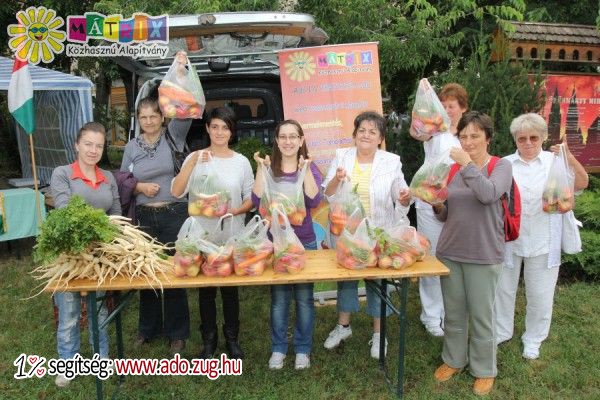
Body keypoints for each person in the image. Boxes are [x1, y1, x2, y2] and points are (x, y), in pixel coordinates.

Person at [430, 111, 512, 395]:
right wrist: (437, 204)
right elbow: (446, 214)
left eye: (475, 135)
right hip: (451, 250)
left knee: (481, 315)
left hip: (484, 253)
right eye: (463, 136)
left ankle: (484, 368)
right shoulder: (452, 170)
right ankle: (453, 360)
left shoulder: (501, 166)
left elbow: (488, 194)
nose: (468, 141)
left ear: (488, 138)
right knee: (453, 312)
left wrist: (466, 165)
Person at [495, 113, 588, 360]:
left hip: (544, 237)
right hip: (510, 238)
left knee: (540, 293)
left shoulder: (554, 161)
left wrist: (569, 157)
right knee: (503, 290)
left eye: (533, 137)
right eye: (522, 138)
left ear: (543, 138)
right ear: (515, 139)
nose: (528, 142)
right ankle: (502, 331)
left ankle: (533, 338)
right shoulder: (505, 164)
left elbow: (581, 183)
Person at [120, 52, 193, 356]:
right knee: (146, 273)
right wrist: (137, 185)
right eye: (143, 117)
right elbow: (123, 180)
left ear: (162, 117)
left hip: (175, 213)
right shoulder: (131, 147)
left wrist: (181, 69)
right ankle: (147, 329)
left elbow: (186, 106)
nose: (149, 121)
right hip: (144, 218)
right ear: (138, 120)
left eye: (153, 116)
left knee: (175, 272)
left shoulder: (174, 137)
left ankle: (177, 333)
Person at [322, 111, 411, 359]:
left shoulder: (391, 161)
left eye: (373, 131)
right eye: (362, 130)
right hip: (346, 232)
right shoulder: (342, 156)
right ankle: (343, 326)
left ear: (380, 138)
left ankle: (379, 333)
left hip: (378, 231)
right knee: (346, 279)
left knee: (378, 282)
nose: (366, 135)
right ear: (354, 134)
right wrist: (336, 181)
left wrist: (404, 197)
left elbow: (400, 193)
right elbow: (327, 193)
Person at [172, 107, 254, 359]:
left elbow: (251, 198)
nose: (220, 132)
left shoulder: (240, 162)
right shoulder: (195, 157)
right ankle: (209, 340)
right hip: (201, 234)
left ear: (232, 131)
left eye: (225, 127)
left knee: (230, 288)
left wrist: (233, 211)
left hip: (231, 232)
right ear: (207, 128)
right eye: (215, 126)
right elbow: (176, 192)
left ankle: (232, 338)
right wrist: (193, 162)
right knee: (205, 288)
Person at [49, 122, 121, 387]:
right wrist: (99, 227)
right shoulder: (63, 174)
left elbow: (115, 214)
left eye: (99, 146)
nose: (93, 150)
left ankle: (101, 359)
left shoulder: (108, 178)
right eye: (88, 144)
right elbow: (65, 210)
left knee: (100, 311)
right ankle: (68, 364)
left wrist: (112, 238)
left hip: (100, 255)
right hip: (70, 253)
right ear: (77, 145)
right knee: (68, 312)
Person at [251, 120, 322, 370]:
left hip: (304, 241)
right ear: (277, 140)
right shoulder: (270, 168)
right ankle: (278, 348)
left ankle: (303, 349)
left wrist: (307, 169)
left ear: (301, 140)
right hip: (276, 243)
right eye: (283, 137)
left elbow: (314, 201)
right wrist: (261, 169)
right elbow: (257, 201)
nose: (288, 141)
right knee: (279, 299)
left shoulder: (309, 168)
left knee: (304, 298)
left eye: (294, 137)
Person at [410, 83, 468, 337]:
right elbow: (417, 132)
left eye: (451, 106)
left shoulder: (469, 133)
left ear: (463, 109)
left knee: (455, 259)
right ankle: (431, 316)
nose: (446, 110)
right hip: (430, 201)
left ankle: (450, 312)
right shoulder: (435, 130)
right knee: (432, 257)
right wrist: (423, 96)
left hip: (461, 204)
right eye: (442, 105)